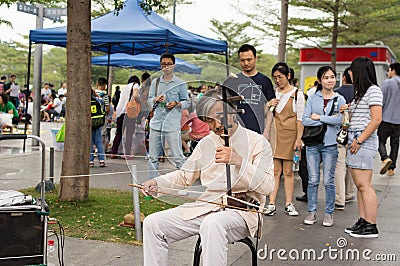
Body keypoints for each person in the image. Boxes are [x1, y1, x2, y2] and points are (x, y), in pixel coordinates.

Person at [141, 88, 275, 266]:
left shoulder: (258, 142)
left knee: (212, 224)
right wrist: (158, 184)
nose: (212, 126)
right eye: (207, 121)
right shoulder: (207, 143)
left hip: (243, 213)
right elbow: (184, 176)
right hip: (207, 207)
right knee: (153, 223)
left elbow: (267, 187)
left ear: (231, 111)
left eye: (215, 118)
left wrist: (239, 161)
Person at [341, 57, 382, 238]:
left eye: (351, 69)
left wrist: (359, 140)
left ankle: (371, 225)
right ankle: (363, 220)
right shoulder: (361, 93)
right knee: (359, 185)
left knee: (365, 185)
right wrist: (348, 110)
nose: (349, 73)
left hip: (362, 140)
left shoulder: (373, 91)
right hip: (355, 140)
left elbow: (376, 119)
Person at [302, 66, 345, 227]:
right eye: (326, 77)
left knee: (328, 180)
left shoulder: (339, 99)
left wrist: (320, 117)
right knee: (313, 180)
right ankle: (311, 212)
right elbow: (306, 120)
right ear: (320, 80)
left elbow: (341, 120)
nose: (330, 80)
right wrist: (329, 118)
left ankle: (329, 214)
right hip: (313, 143)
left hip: (330, 144)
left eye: (332, 77)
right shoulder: (313, 97)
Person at [265, 62, 304, 216]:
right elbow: (265, 113)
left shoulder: (297, 94)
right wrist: (268, 104)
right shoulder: (274, 93)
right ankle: (271, 203)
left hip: (290, 136)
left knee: (288, 171)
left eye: (280, 77)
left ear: (288, 76)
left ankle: (289, 203)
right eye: (275, 78)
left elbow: (300, 119)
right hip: (275, 136)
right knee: (275, 171)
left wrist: (298, 139)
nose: (277, 80)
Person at [147, 53, 189, 179]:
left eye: (169, 64)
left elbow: (187, 102)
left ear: (173, 65)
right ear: (160, 66)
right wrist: (155, 99)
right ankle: (152, 186)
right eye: (163, 64)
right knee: (153, 157)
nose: (166, 67)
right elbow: (149, 100)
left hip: (172, 124)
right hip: (156, 123)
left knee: (178, 157)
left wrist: (177, 104)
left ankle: (183, 185)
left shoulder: (180, 83)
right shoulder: (156, 82)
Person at [224, 44, 275, 136]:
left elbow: (271, 110)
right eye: (242, 60)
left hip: (258, 131)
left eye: (249, 60)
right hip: (236, 131)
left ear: (256, 58)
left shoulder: (265, 81)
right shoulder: (233, 80)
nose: (246, 63)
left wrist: (266, 131)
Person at [334, 67, 356, 210]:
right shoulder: (358, 93)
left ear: (343, 78)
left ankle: (339, 198)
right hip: (355, 134)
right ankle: (349, 193)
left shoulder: (337, 93)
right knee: (350, 165)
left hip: (341, 133)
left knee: (339, 165)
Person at [378, 62, 400, 176]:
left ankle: (385, 158)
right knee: (395, 144)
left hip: (386, 118)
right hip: (398, 122)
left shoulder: (388, 83)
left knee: (381, 141)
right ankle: (391, 169)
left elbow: (381, 101)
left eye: (389, 70)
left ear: (394, 71)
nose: (388, 72)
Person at [111, 75, 141, 159]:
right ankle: (127, 154)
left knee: (119, 133)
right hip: (130, 112)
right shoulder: (136, 86)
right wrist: (138, 100)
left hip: (121, 112)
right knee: (129, 134)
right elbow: (135, 95)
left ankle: (113, 152)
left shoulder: (125, 87)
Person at [90, 89, 106, 167]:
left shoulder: (85, 101)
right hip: (98, 123)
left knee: (90, 143)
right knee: (99, 142)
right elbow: (103, 102)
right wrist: (96, 95)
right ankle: (101, 160)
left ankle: (91, 160)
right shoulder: (97, 100)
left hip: (89, 124)